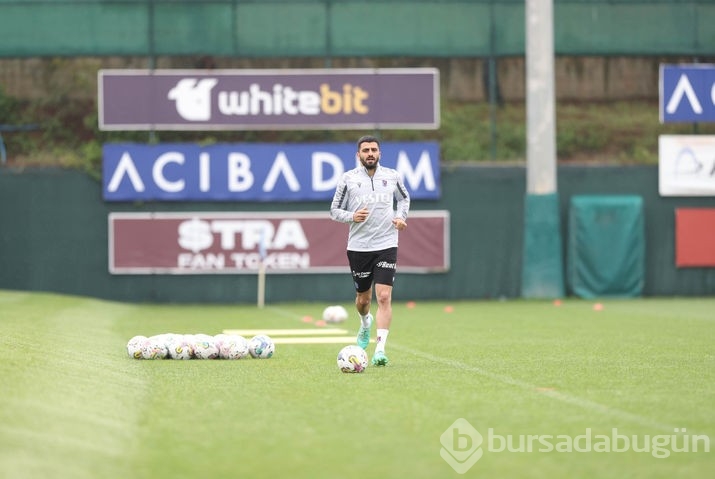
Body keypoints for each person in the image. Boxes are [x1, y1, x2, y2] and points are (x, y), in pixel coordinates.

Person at [329, 135, 410, 366]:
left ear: (380, 153)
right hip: (359, 247)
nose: (370, 153)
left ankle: (380, 350)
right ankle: (365, 324)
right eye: (366, 150)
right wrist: (352, 216)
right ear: (359, 155)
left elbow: (404, 200)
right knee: (363, 300)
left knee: (384, 296)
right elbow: (334, 210)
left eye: (374, 149)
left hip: (386, 243)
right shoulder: (349, 179)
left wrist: (401, 217)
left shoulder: (392, 176)